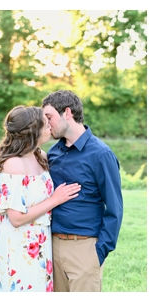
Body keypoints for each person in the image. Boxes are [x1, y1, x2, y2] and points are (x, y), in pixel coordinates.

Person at [0, 106, 81, 291]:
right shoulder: (13, 164)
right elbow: (16, 218)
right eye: (45, 123)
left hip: (40, 240)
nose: (50, 126)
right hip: (19, 243)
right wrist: (55, 200)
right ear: (33, 131)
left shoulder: (39, 155)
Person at [42, 90, 123, 292]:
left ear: (67, 113)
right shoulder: (53, 153)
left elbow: (115, 208)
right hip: (52, 246)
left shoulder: (101, 154)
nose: (46, 123)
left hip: (85, 249)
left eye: (49, 117)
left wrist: (99, 251)